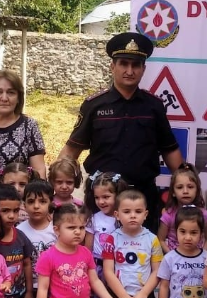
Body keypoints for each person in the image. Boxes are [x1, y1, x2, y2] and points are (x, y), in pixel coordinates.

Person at [58, 32, 183, 233]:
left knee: (141, 258)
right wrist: (55, 189)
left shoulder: (154, 106)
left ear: (143, 69)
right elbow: (71, 151)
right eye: (123, 63)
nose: (129, 70)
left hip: (142, 199)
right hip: (101, 199)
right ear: (112, 66)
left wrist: (186, 185)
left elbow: (170, 150)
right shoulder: (94, 106)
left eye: (135, 65)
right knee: (98, 257)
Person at [36, 203, 125, 298]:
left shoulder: (85, 253)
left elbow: (95, 281)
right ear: (57, 230)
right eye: (71, 228)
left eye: (82, 227)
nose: (78, 232)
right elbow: (43, 289)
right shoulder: (48, 256)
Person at [102, 190, 164, 298]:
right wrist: (124, 297)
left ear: (146, 214)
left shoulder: (152, 239)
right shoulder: (111, 239)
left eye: (138, 212)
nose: (132, 216)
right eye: (127, 211)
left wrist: (143, 293)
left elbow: (157, 271)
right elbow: (108, 271)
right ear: (117, 214)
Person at [83, 171, 128, 298]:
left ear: (117, 195)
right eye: (97, 197)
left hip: (122, 270)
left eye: (106, 196)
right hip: (100, 270)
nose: (102, 201)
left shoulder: (125, 217)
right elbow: (88, 247)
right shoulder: (94, 218)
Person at [18, 180, 57, 298]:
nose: (36, 206)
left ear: (51, 202)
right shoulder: (20, 231)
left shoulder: (55, 230)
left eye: (42, 201)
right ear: (23, 203)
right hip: (30, 287)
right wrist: (27, 289)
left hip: (53, 287)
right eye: (31, 201)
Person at [157, 163, 207, 253]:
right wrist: (171, 256)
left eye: (190, 187)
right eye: (180, 187)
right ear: (173, 192)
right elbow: (160, 240)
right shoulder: (168, 215)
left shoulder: (204, 215)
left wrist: (202, 256)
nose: (185, 191)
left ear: (197, 190)